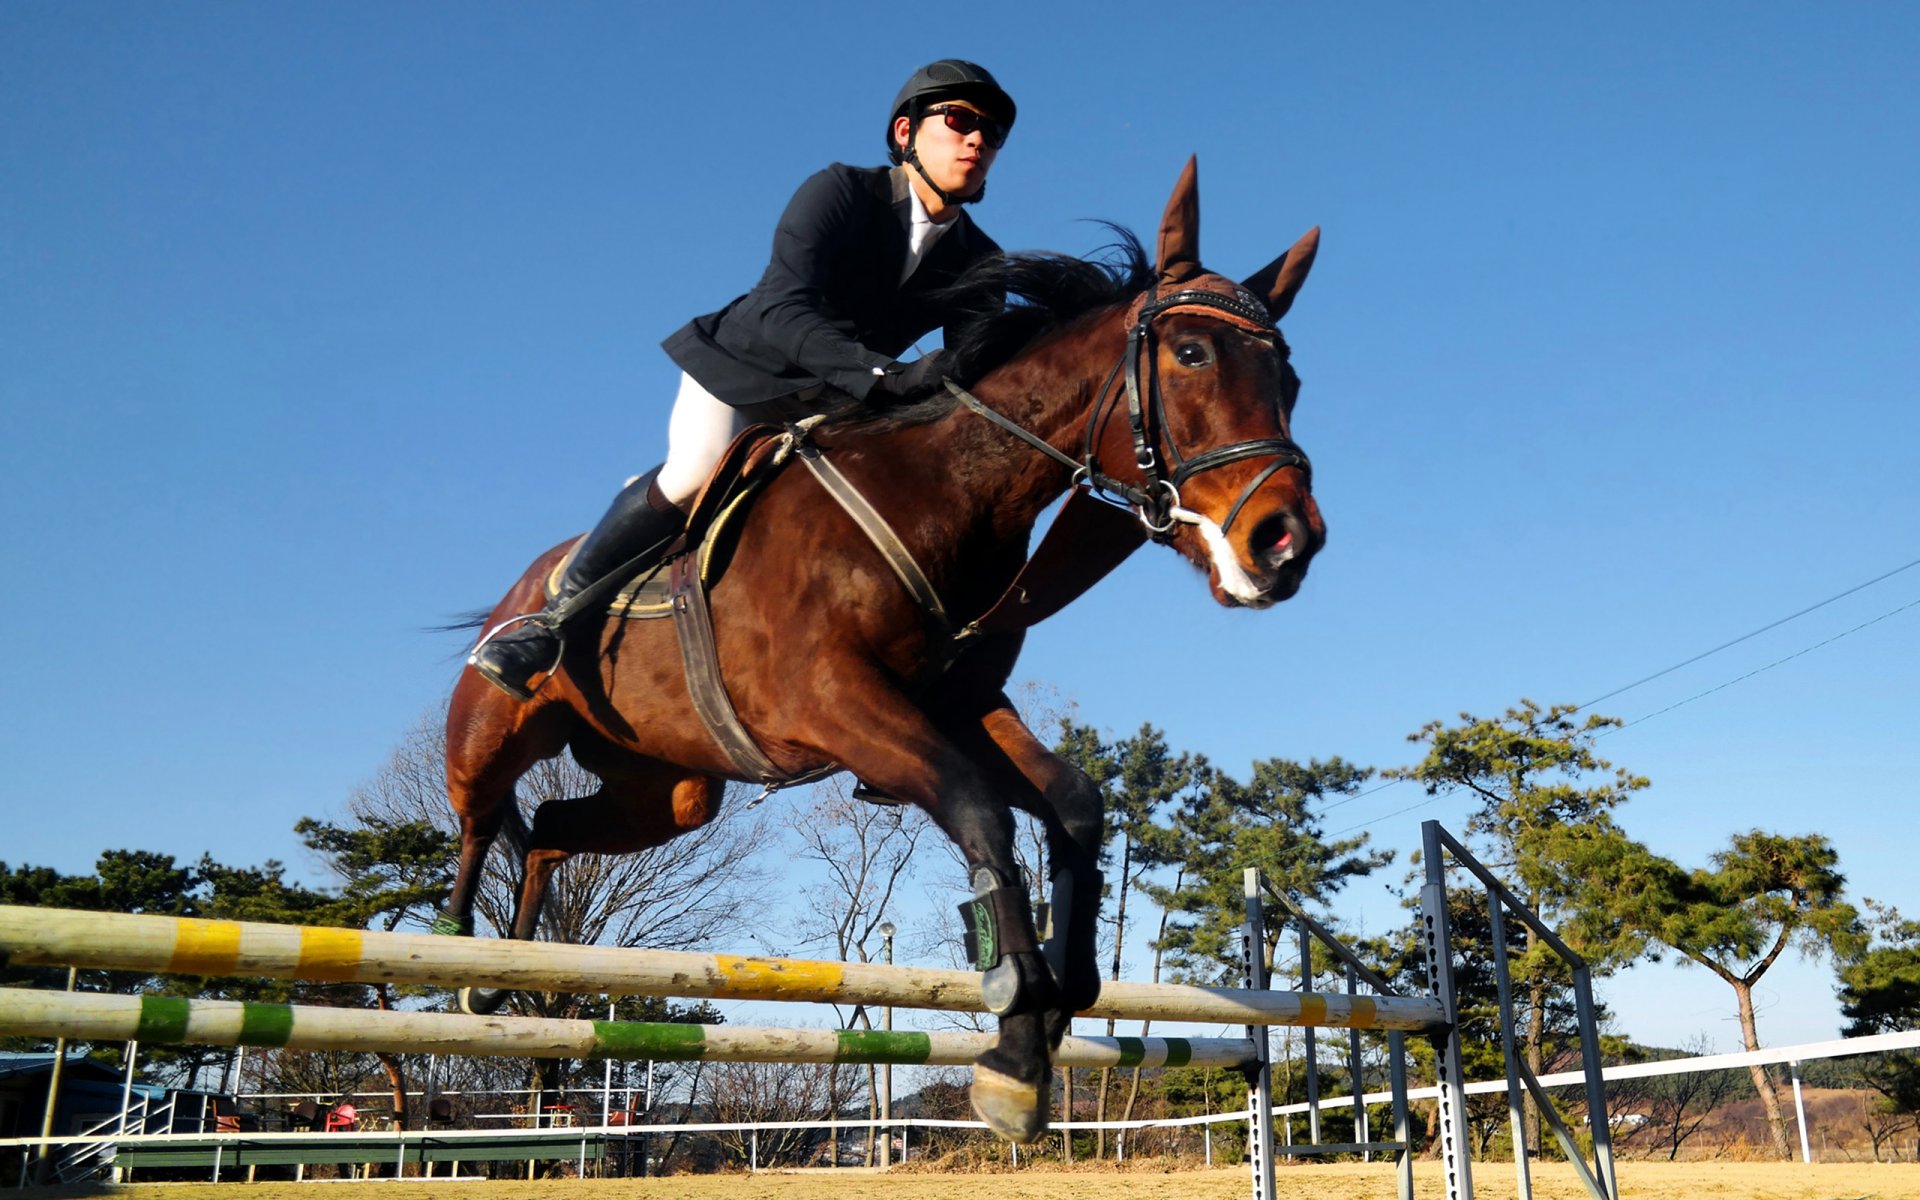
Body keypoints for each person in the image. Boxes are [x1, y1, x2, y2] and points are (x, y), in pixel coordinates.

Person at [470, 60, 1017, 700]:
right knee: (695, 471)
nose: (977, 140)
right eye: (959, 120)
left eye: (992, 133)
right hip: (743, 371)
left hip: (839, 405)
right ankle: (548, 623)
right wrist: (888, 376)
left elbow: (975, 384)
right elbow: (784, 308)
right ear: (905, 132)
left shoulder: (983, 262)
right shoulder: (840, 190)